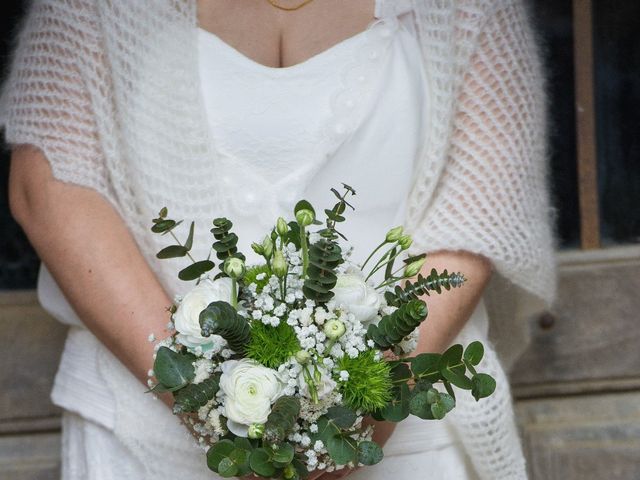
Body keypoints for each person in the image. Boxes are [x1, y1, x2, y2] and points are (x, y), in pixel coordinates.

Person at [1, 0, 556, 479]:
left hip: (405, 438)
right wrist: (212, 407)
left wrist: (365, 409)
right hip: (144, 433)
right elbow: (48, 186)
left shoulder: (469, 10)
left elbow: (483, 199)